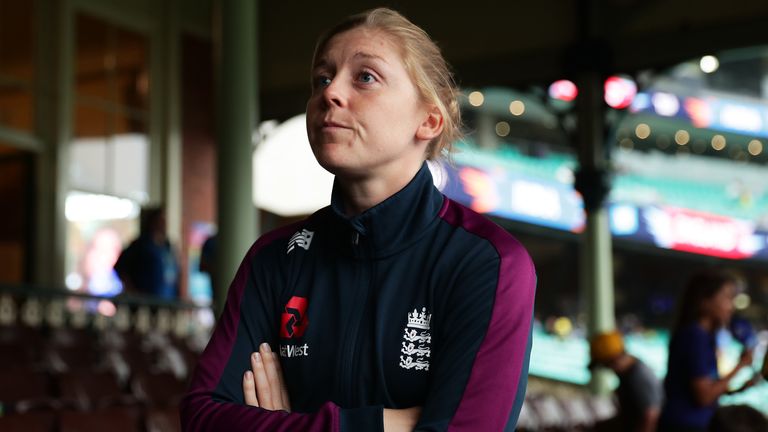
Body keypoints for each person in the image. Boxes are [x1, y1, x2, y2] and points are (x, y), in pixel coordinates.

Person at [180, 7, 537, 432]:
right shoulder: (274, 259)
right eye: (321, 79)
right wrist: (387, 425)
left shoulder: (488, 263)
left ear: (429, 119)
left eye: (365, 77)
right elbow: (201, 417)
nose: (330, 93)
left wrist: (286, 424)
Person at [659, 270, 760, 432]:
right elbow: (704, 397)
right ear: (704, 301)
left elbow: (707, 390)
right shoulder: (695, 336)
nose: (731, 307)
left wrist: (739, 389)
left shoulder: (702, 336)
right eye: (727, 298)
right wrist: (741, 365)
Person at [589, 330, 663, 432]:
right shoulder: (628, 374)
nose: (609, 370)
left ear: (613, 360)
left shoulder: (638, 377)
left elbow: (650, 417)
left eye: (605, 365)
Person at [114, 206, 180, 300]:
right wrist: (133, 291)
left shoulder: (167, 246)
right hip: (147, 301)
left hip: (167, 301)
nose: (163, 224)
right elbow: (120, 267)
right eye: (160, 220)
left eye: (164, 220)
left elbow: (175, 274)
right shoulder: (141, 245)